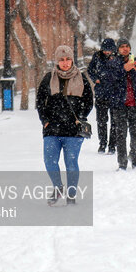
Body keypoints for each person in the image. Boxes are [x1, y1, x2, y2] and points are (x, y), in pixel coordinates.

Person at [36, 45, 93, 206]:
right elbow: (40, 102)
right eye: (62, 60)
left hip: (73, 131)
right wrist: (45, 120)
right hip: (52, 129)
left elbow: (89, 101)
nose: (65, 62)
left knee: (71, 163)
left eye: (68, 59)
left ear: (72, 60)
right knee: (50, 161)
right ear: (57, 61)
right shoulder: (49, 78)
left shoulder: (81, 78)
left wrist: (81, 117)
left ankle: (71, 195)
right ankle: (58, 187)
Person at [107, 38, 136, 170]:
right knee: (121, 134)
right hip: (119, 104)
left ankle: (134, 157)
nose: (125, 49)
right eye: (122, 47)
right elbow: (109, 80)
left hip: (135, 103)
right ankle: (122, 163)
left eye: (127, 46)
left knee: (135, 132)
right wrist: (123, 69)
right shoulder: (113, 63)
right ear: (118, 49)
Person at [87, 38, 117, 154]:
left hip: (114, 94)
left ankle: (112, 145)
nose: (106, 52)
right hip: (101, 94)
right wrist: (96, 80)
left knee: (114, 121)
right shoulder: (97, 56)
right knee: (101, 120)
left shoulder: (116, 58)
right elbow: (90, 70)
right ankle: (102, 143)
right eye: (105, 50)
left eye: (109, 50)